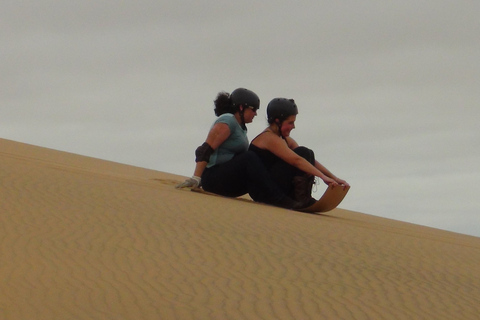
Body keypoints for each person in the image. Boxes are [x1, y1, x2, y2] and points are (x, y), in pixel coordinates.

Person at [176, 88, 309, 209]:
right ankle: (280, 199)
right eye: (253, 109)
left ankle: (290, 197)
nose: (256, 114)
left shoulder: (241, 127)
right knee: (249, 157)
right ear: (241, 107)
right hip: (213, 179)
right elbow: (205, 150)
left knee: (256, 157)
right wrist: (196, 178)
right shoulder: (228, 120)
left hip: (229, 182)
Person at [249, 97, 349, 206]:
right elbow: (296, 160)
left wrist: (334, 178)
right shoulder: (269, 138)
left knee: (307, 153)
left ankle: (304, 198)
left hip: (275, 186)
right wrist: (322, 177)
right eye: (290, 122)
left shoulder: (284, 139)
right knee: (302, 152)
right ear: (277, 121)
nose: (293, 126)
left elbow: (306, 160)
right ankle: (301, 199)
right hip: (264, 192)